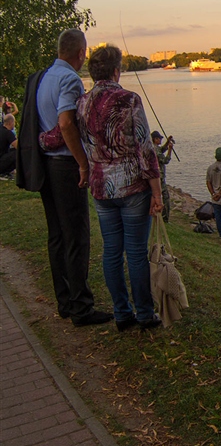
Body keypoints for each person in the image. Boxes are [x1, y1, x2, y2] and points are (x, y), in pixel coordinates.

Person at [16, 28, 113, 326]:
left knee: (57, 235)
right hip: (64, 167)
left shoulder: (43, 77)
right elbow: (66, 123)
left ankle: (65, 301)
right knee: (76, 236)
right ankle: (81, 307)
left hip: (44, 164)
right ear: (81, 53)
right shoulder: (70, 79)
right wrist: (83, 164)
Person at [77, 44, 163, 331]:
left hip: (101, 189)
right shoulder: (129, 99)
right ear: (116, 70)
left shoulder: (82, 102)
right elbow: (145, 149)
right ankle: (145, 314)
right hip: (132, 188)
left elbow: (66, 135)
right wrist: (157, 191)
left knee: (111, 252)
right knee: (136, 253)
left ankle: (122, 314)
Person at [151, 131, 174, 223]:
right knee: (165, 198)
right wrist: (170, 150)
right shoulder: (156, 149)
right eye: (160, 138)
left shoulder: (153, 148)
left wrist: (167, 142)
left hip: (155, 177)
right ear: (155, 139)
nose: (160, 140)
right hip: (159, 177)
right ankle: (165, 218)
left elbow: (161, 150)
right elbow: (165, 160)